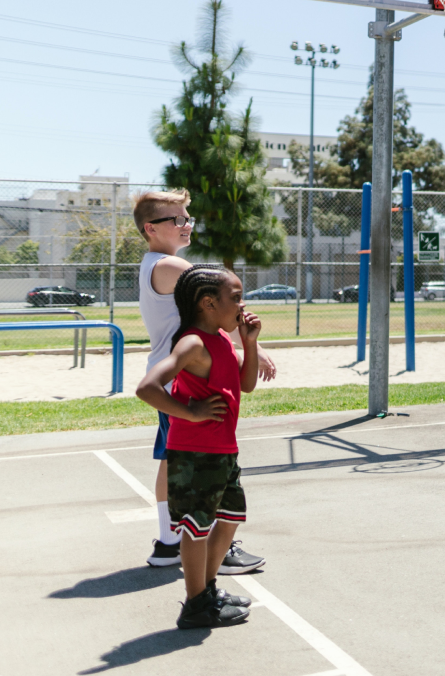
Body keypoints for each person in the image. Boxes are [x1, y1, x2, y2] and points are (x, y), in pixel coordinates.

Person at [132, 189, 268, 574]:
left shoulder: (153, 264)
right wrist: (253, 346)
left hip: (177, 373)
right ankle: (209, 547)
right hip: (186, 378)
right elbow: (215, 298)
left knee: (173, 460)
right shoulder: (171, 266)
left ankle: (169, 541)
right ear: (150, 228)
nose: (186, 224)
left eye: (187, 217)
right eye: (177, 219)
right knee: (204, 465)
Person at [135, 266, 260, 629]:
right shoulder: (193, 343)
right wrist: (190, 412)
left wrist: (249, 342)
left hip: (222, 450)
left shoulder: (221, 338)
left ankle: (205, 591)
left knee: (230, 518)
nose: (242, 305)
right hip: (195, 452)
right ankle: (195, 606)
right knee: (196, 527)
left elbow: (246, 384)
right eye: (236, 298)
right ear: (208, 303)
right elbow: (147, 387)